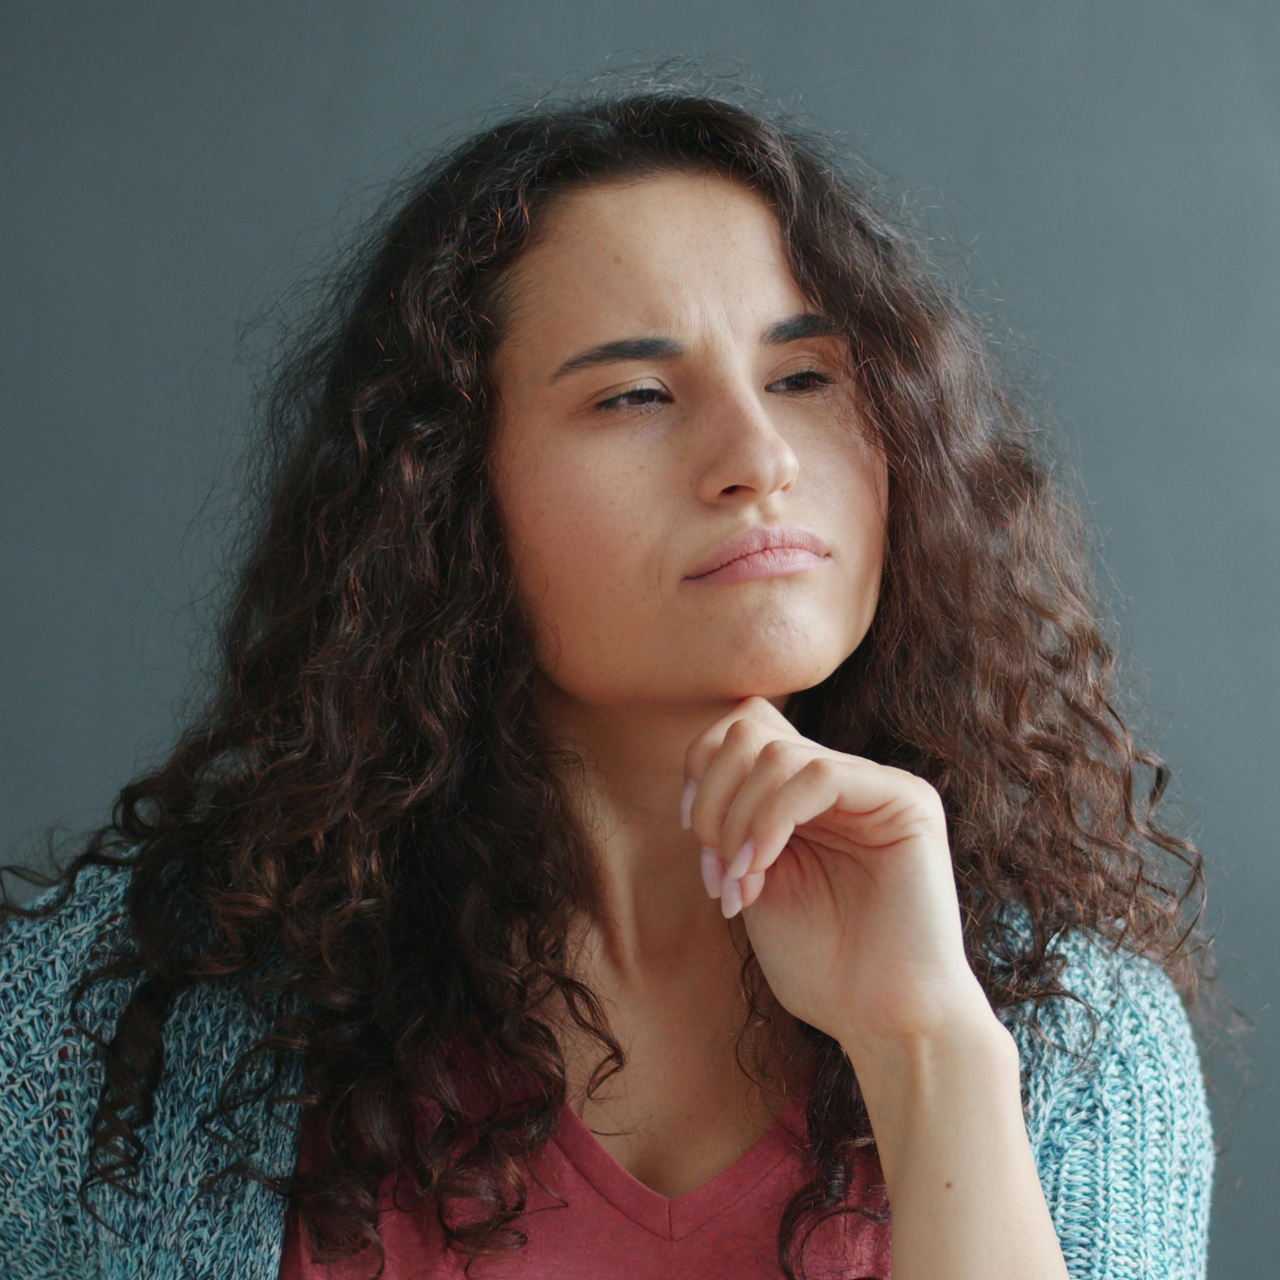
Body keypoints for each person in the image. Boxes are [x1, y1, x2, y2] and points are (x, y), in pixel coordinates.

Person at [0, 66, 1222, 1280]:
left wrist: (928, 1051)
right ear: (443, 494)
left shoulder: (1076, 1042)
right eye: (636, 394)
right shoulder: (102, 1025)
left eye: (804, 378)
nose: (756, 458)